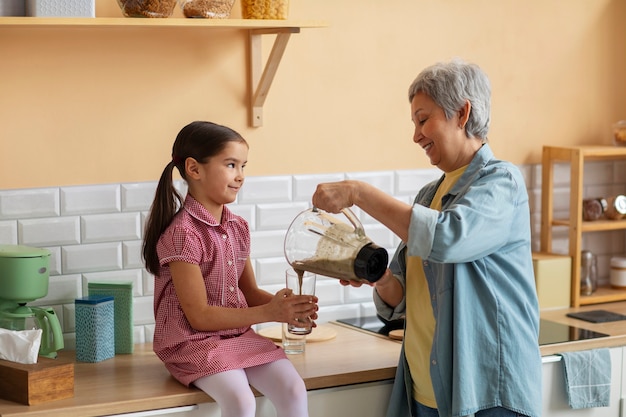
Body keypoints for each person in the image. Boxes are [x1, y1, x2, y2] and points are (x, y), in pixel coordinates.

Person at [312, 60, 542, 417]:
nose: (416, 135)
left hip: (485, 391)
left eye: (423, 120)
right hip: (426, 389)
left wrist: (359, 192)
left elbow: (448, 238)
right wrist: (381, 277)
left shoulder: (501, 183)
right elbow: (403, 296)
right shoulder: (428, 195)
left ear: (462, 113)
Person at [142, 121, 318, 417]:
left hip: (235, 338)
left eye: (243, 166)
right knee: (241, 399)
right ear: (194, 169)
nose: (240, 176)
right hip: (190, 342)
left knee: (294, 389)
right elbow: (199, 316)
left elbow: (247, 292)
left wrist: (287, 308)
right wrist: (270, 313)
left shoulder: (237, 227)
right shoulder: (183, 233)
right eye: (231, 165)